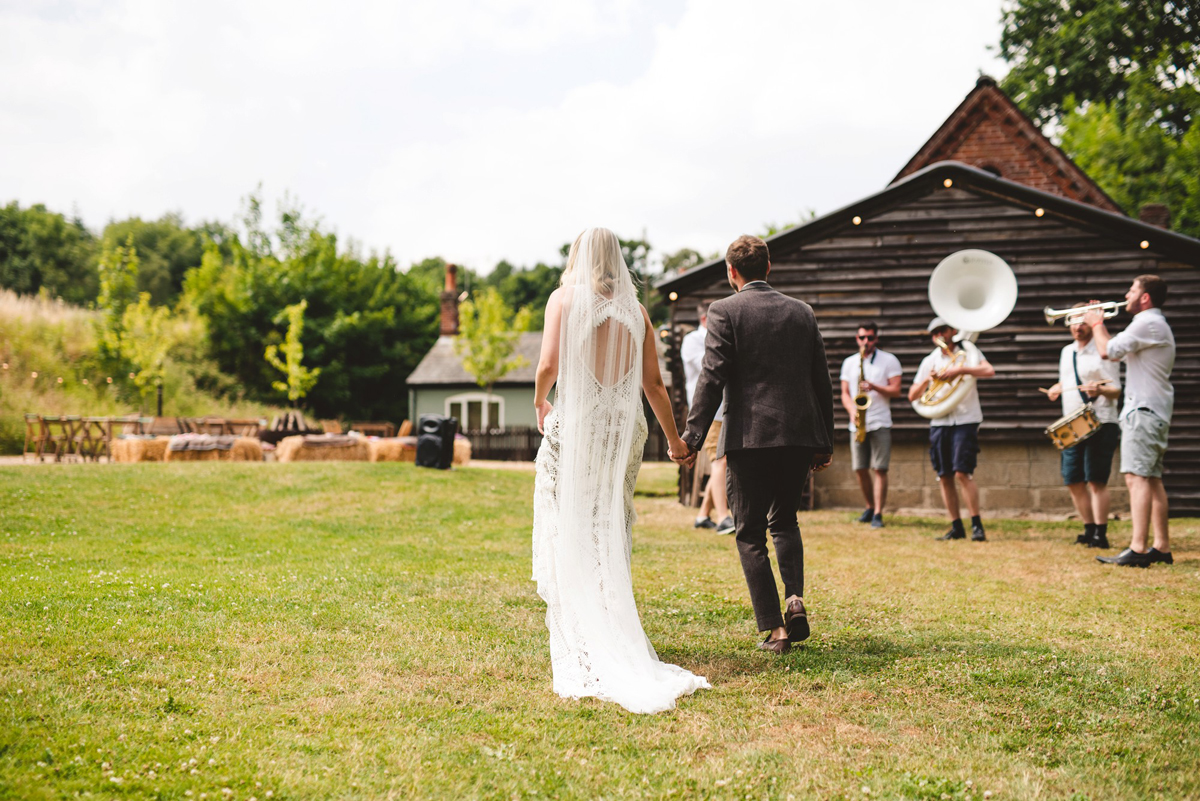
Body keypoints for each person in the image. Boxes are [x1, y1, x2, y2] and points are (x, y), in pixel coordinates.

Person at [531, 227, 710, 713]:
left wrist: (539, 399)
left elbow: (548, 363)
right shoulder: (637, 312)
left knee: (569, 522)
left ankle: (586, 628)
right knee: (607, 524)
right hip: (622, 430)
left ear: (578, 256)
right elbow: (654, 383)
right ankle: (609, 621)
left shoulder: (563, 299)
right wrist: (674, 440)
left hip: (580, 425)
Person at [678, 234, 834, 655]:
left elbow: (711, 379)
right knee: (785, 521)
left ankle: (775, 630)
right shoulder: (802, 312)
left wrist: (691, 438)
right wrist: (825, 441)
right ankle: (795, 599)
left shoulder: (724, 311)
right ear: (769, 266)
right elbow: (822, 379)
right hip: (800, 435)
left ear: (731, 272)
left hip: (749, 438)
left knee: (749, 533)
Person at [1087, 275, 1175, 568]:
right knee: (1151, 478)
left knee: (1135, 478)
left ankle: (1138, 549)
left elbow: (1106, 351)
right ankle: (1161, 547)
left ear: (1145, 297)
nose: (1126, 295)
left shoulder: (1146, 322)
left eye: (1132, 290)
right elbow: (1118, 350)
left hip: (1143, 410)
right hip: (1153, 410)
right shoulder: (1153, 325)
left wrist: (1096, 323)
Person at [908, 318, 996, 542]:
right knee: (944, 475)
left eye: (943, 330)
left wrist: (960, 370)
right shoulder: (930, 360)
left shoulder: (968, 351)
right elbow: (912, 396)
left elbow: (989, 371)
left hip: (965, 419)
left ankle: (977, 525)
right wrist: (929, 379)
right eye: (935, 333)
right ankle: (956, 526)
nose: (939, 335)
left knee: (962, 473)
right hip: (939, 421)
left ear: (953, 331)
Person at [1044, 302, 1121, 548]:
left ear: (1092, 322)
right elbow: (1065, 380)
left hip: (1101, 421)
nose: (1077, 326)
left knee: (1096, 480)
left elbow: (1116, 390)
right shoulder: (1067, 352)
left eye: (1082, 321)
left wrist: (1100, 390)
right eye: (1073, 321)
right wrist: (1057, 388)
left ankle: (1101, 533)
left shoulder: (1103, 349)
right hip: (1072, 422)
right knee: (1072, 478)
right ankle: (1088, 529)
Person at [839, 320, 903, 528]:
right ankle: (869, 506)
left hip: (880, 421)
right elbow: (844, 393)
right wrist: (852, 412)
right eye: (862, 337)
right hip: (857, 423)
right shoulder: (849, 362)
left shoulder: (889, 360)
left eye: (870, 337)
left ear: (876, 338)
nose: (866, 341)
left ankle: (878, 513)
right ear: (857, 338)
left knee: (880, 469)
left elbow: (896, 391)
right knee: (860, 468)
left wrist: (874, 386)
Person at [681, 302, 733, 534]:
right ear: (705, 320)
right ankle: (723, 517)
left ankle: (703, 515)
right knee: (719, 460)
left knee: (723, 461)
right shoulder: (693, 340)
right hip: (709, 410)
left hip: (727, 408)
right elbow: (713, 365)